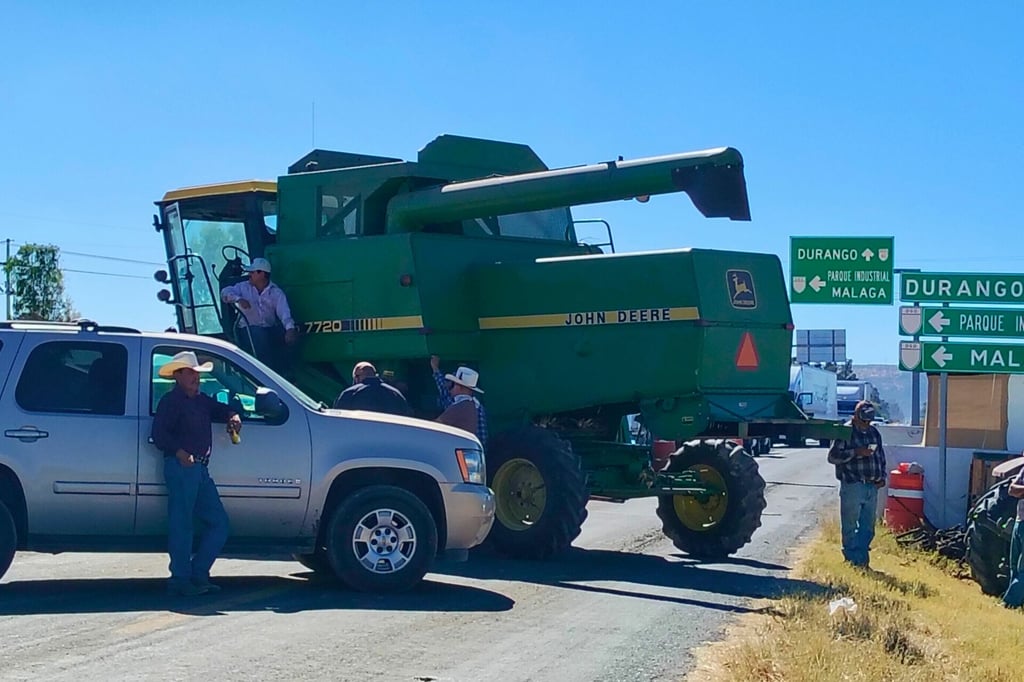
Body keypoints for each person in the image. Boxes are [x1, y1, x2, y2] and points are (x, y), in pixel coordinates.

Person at [151, 350, 242, 596]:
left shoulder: (201, 401)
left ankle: (198, 574)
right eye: (191, 373)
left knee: (219, 523)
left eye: (197, 373)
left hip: (200, 469)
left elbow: (222, 409)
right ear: (177, 376)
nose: (196, 377)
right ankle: (180, 580)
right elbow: (159, 435)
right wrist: (180, 453)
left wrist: (233, 415)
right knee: (182, 525)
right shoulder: (171, 401)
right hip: (181, 467)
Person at [827, 400, 886, 568]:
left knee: (868, 527)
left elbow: (880, 456)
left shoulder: (874, 432)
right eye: (864, 418)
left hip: (872, 486)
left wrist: (882, 476)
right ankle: (852, 559)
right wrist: (856, 452)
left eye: (869, 419)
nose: (867, 422)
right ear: (856, 415)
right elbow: (833, 457)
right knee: (850, 525)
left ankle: (861, 558)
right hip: (852, 484)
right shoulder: (846, 432)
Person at [220, 257, 298, 372]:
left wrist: (290, 329)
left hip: (268, 329)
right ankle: (266, 372)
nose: (249, 275)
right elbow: (225, 292)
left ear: (262, 274)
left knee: (286, 335)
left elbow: (284, 313)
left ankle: (287, 373)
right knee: (259, 334)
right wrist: (238, 299)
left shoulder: (276, 293)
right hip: (247, 330)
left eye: (252, 272)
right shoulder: (242, 287)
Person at [430, 355, 487, 446]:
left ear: (459, 387)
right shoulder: (474, 405)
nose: (449, 388)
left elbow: (434, 426)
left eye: (452, 384)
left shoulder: (461, 406)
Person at [333, 361, 412, 416]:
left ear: (356, 377)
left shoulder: (349, 394)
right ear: (375, 374)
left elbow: (339, 418)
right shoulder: (396, 394)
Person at [1001, 463, 1024, 608]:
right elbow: (1011, 489)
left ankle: (1010, 602)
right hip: (1019, 521)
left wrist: (1020, 490)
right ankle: (1015, 601)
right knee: (1014, 566)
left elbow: (1016, 490)